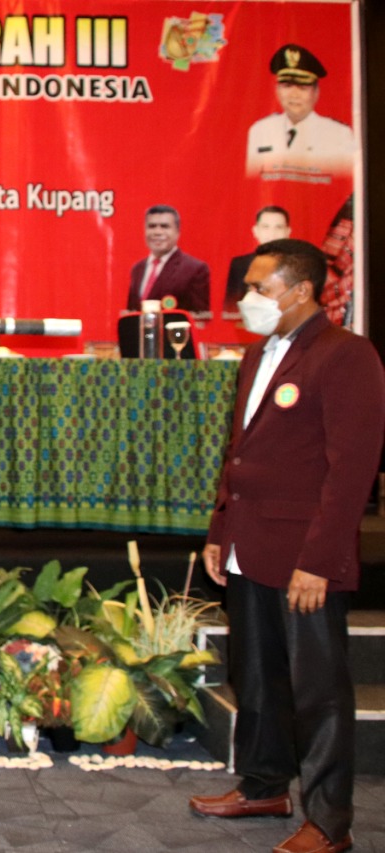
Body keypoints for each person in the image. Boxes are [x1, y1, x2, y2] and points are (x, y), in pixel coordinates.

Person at [190, 239, 384, 853]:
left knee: (317, 691)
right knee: (256, 676)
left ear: (301, 291)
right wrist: (221, 532)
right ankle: (263, 785)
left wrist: (319, 561)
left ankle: (330, 823)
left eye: (258, 288)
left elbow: (350, 470)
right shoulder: (256, 356)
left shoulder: (346, 356)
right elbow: (238, 454)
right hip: (250, 545)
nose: (246, 300)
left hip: (304, 557)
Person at [245, 44, 355, 179]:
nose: (294, 95)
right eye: (287, 86)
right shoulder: (260, 130)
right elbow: (254, 185)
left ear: (316, 92)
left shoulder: (339, 135)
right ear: (277, 90)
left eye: (302, 87)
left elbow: (342, 188)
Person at [125, 205, 210, 315]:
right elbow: (133, 312)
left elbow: (200, 318)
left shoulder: (195, 269)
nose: (157, 232)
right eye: (152, 226)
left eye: (164, 226)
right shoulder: (138, 269)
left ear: (177, 232)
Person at [223, 206, 291, 317]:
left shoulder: (299, 265)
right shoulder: (240, 264)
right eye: (266, 227)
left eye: (278, 227)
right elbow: (231, 309)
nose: (272, 233)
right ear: (255, 231)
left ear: (288, 232)